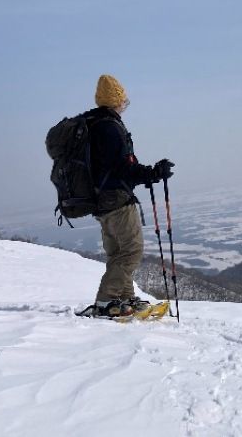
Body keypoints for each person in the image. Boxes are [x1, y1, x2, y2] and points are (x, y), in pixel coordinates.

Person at [87, 74, 174, 317]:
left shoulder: (93, 126)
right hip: (117, 201)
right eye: (123, 100)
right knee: (132, 251)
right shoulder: (110, 128)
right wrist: (154, 173)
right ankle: (107, 301)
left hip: (100, 202)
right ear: (117, 100)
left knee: (118, 253)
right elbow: (123, 168)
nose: (124, 105)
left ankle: (124, 298)